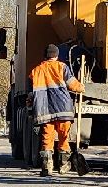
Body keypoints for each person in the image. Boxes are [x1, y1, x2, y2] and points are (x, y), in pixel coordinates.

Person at [28, 43, 82, 178]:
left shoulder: (36, 71)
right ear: (57, 55)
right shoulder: (62, 67)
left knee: (47, 138)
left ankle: (47, 167)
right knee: (64, 137)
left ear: (45, 56)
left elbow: (31, 92)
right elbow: (72, 84)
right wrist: (81, 87)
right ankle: (64, 165)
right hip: (63, 108)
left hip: (45, 110)